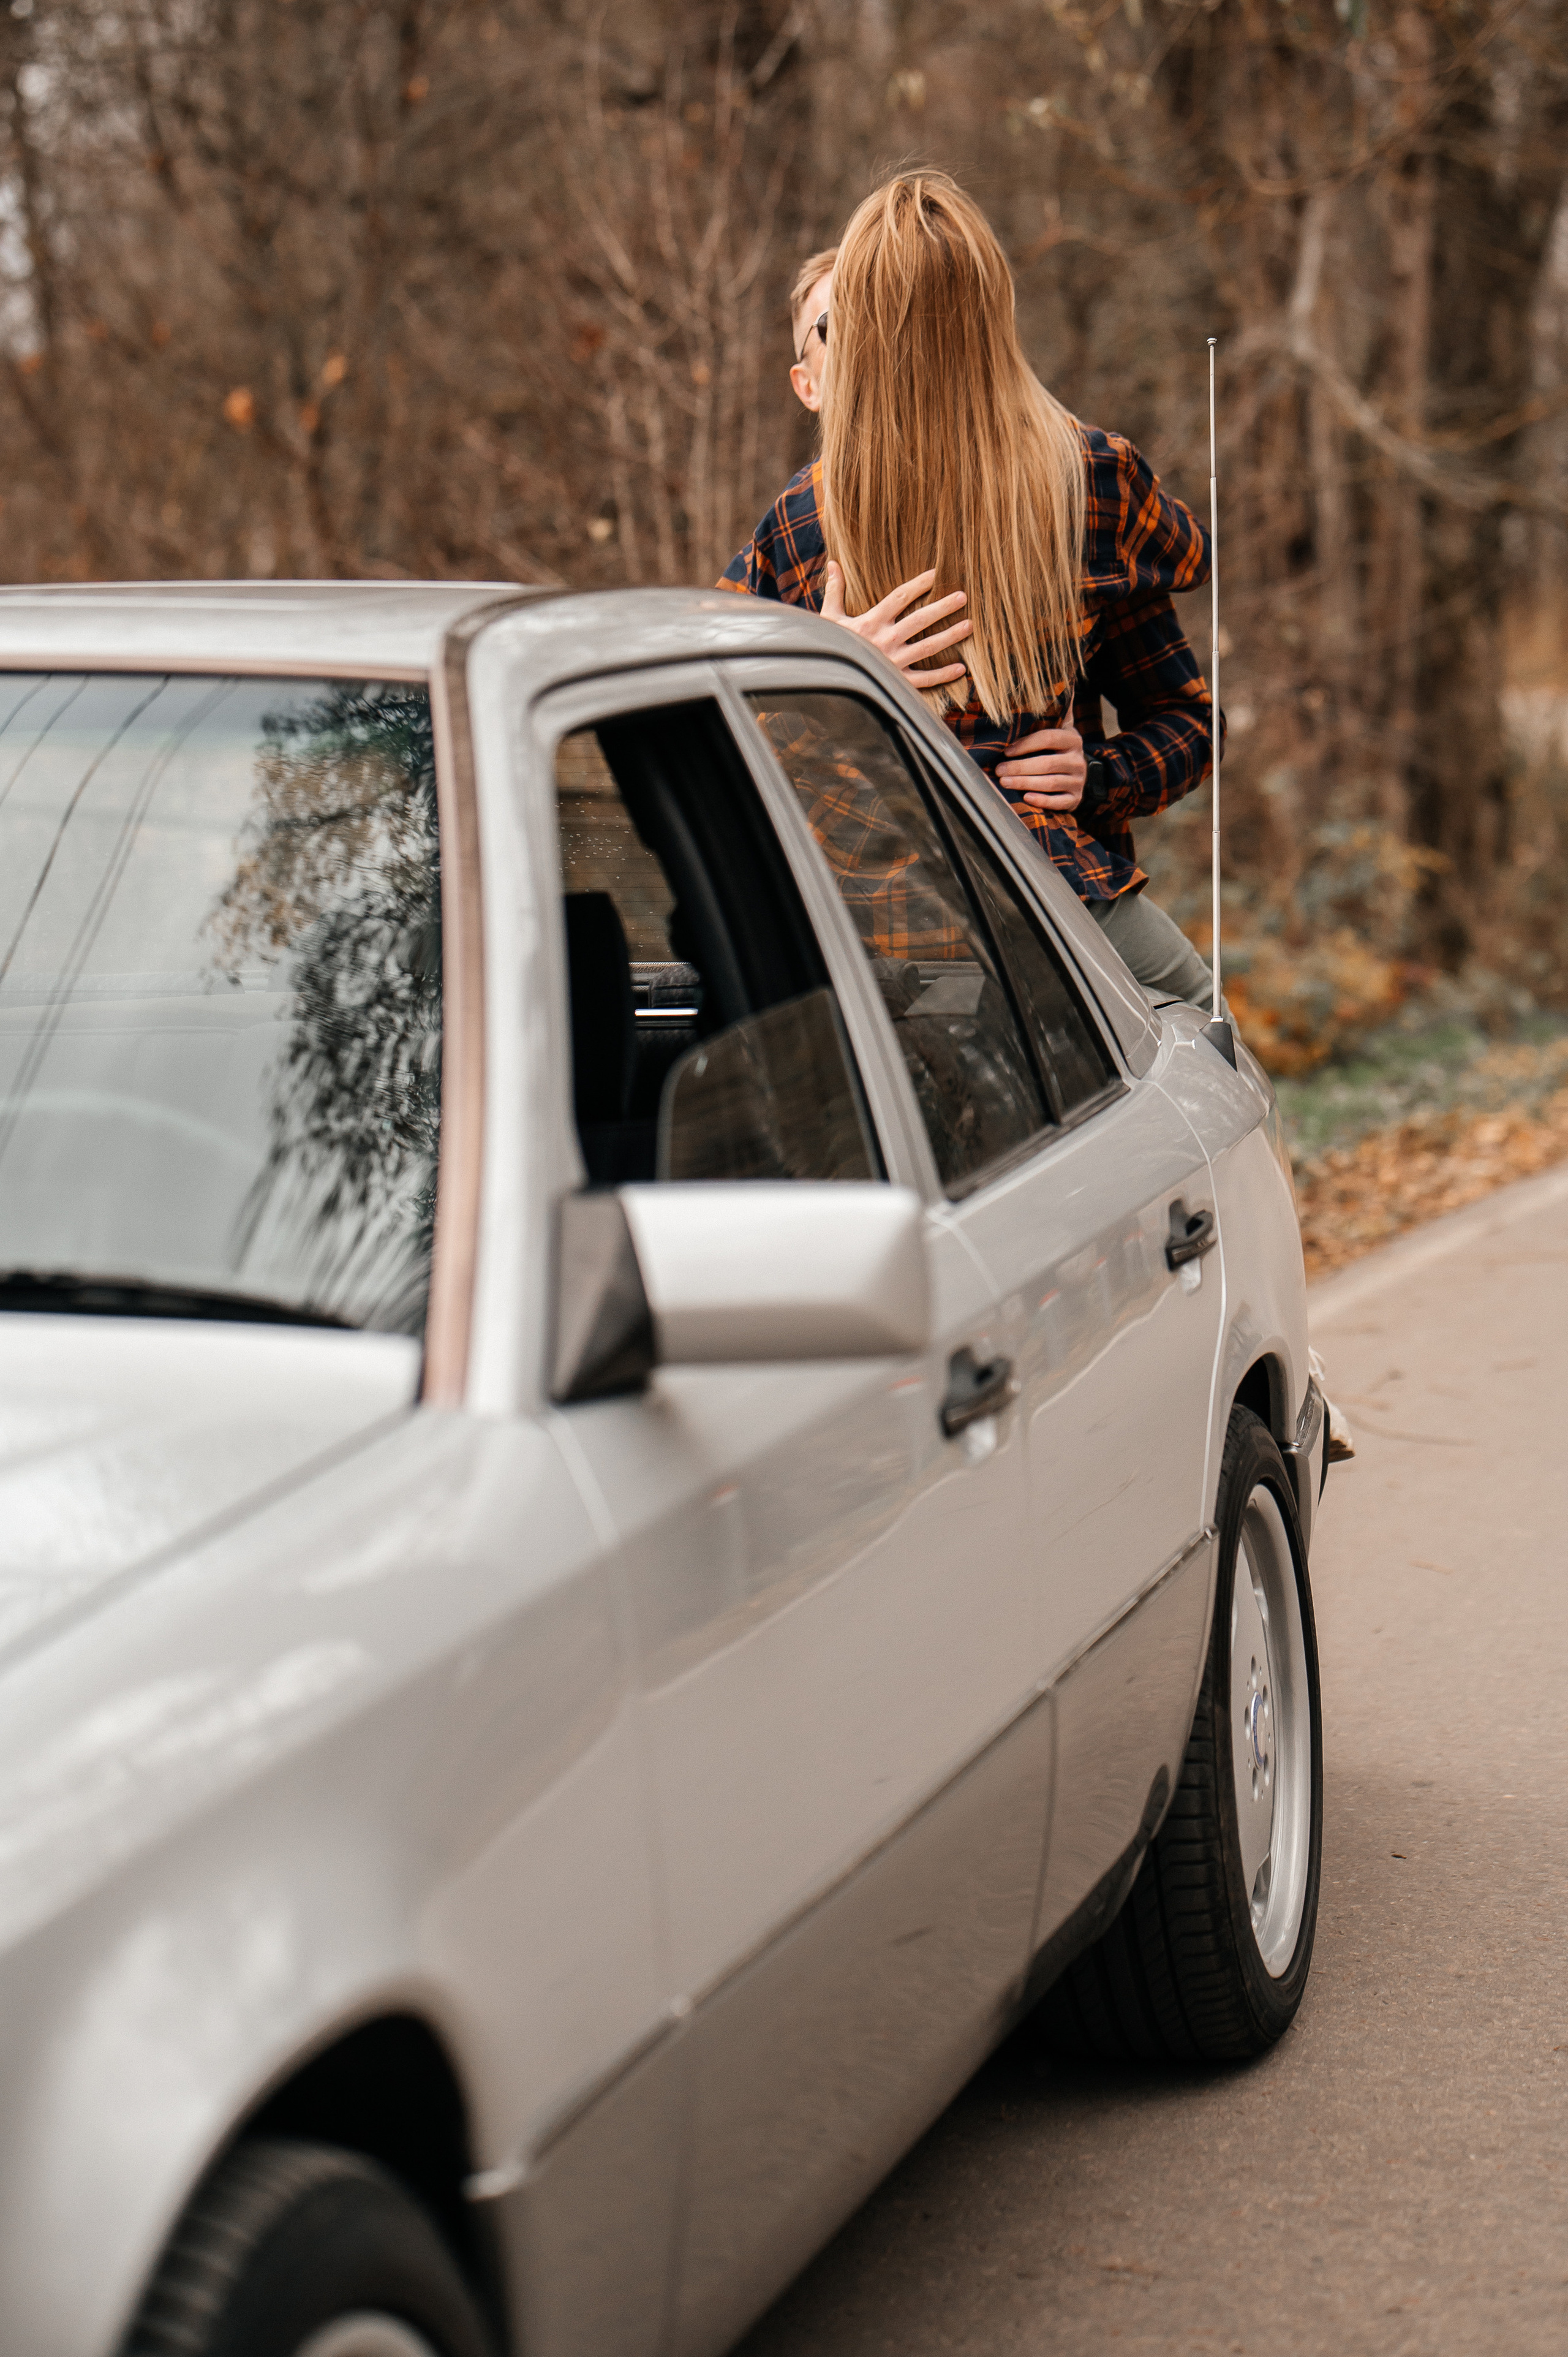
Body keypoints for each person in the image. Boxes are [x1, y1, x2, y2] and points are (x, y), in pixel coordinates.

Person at [720, 177, 1220, 1008]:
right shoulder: (799, 527)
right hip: (884, 938)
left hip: (1051, 909)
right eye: (825, 326)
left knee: (1210, 1041)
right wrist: (832, 672)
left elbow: (1192, 722)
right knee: (1213, 1070)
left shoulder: (1084, 483)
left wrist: (1099, 775)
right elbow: (709, 731)